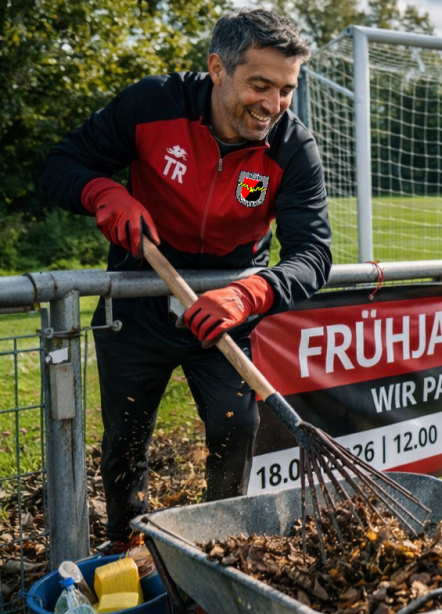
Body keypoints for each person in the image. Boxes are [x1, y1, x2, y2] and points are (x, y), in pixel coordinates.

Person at [38, 8, 332, 551]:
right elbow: (60, 165)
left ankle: (217, 546)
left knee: (234, 428)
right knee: (126, 435)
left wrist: (251, 292)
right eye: (260, 85)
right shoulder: (152, 104)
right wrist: (104, 193)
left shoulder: (293, 148)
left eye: (286, 89)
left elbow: (313, 254)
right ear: (218, 69)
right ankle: (125, 544)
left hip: (226, 309)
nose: (273, 105)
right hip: (138, 296)